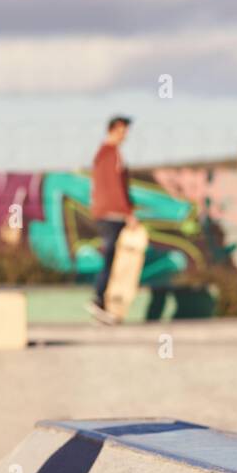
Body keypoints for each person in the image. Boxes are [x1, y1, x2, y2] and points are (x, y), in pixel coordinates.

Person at [88, 115, 141, 324]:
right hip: (113, 214)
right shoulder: (112, 155)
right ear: (112, 130)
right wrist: (128, 212)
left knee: (112, 258)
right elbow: (115, 188)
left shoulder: (101, 154)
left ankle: (103, 304)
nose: (125, 135)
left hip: (105, 212)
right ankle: (100, 299)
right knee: (114, 260)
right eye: (122, 131)